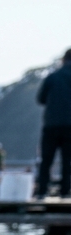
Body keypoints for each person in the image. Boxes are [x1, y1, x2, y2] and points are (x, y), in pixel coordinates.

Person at [36, 48, 71, 199]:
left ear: (63, 60)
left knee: (46, 160)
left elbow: (41, 99)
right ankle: (65, 193)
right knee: (67, 161)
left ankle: (42, 192)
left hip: (51, 124)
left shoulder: (52, 77)